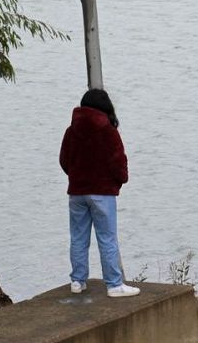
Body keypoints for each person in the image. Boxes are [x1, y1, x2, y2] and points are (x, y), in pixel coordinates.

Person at [58, 89, 141, 298]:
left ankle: (77, 281)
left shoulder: (71, 130)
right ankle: (114, 284)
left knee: (78, 237)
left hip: (77, 192)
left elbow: (64, 160)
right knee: (107, 238)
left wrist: (76, 176)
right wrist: (120, 180)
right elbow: (118, 161)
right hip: (102, 192)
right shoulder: (107, 130)